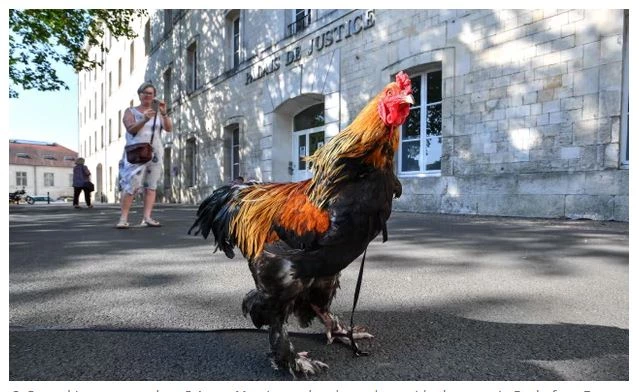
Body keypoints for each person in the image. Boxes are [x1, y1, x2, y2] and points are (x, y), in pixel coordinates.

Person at [116, 81, 172, 229]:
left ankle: (147, 217)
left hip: (155, 152)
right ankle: (123, 218)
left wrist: (164, 113)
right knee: (131, 186)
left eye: (151, 93)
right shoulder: (131, 111)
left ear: (154, 96)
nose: (148, 96)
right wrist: (144, 119)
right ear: (139, 94)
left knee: (151, 186)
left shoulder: (158, 113)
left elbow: (169, 128)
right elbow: (131, 129)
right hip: (137, 153)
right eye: (145, 93)